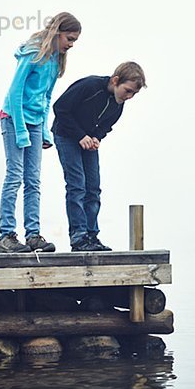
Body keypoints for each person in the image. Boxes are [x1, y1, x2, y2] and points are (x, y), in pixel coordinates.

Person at [0, 12, 81, 253]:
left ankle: (33, 235)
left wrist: (44, 131)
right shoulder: (33, 53)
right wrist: (22, 130)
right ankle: (6, 235)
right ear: (57, 32)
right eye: (70, 38)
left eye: (75, 41)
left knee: (33, 180)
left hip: (34, 123)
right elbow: (15, 93)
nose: (71, 44)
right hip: (13, 118)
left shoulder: (56, 60)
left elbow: (45, 98)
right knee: (15, 176)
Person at [52, 62, 146, 251]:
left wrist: (96, 137)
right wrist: (80, 136)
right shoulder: (90, 86)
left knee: (93, 188)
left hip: (88, 142)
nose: (129, 97)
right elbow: (60, 108)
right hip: (67, 136)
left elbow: (107, 124)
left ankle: (91, 235)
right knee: (77, 185)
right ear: (115, 80)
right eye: (128, 91)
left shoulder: (119, 103)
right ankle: (78, 237)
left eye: (134, 94)